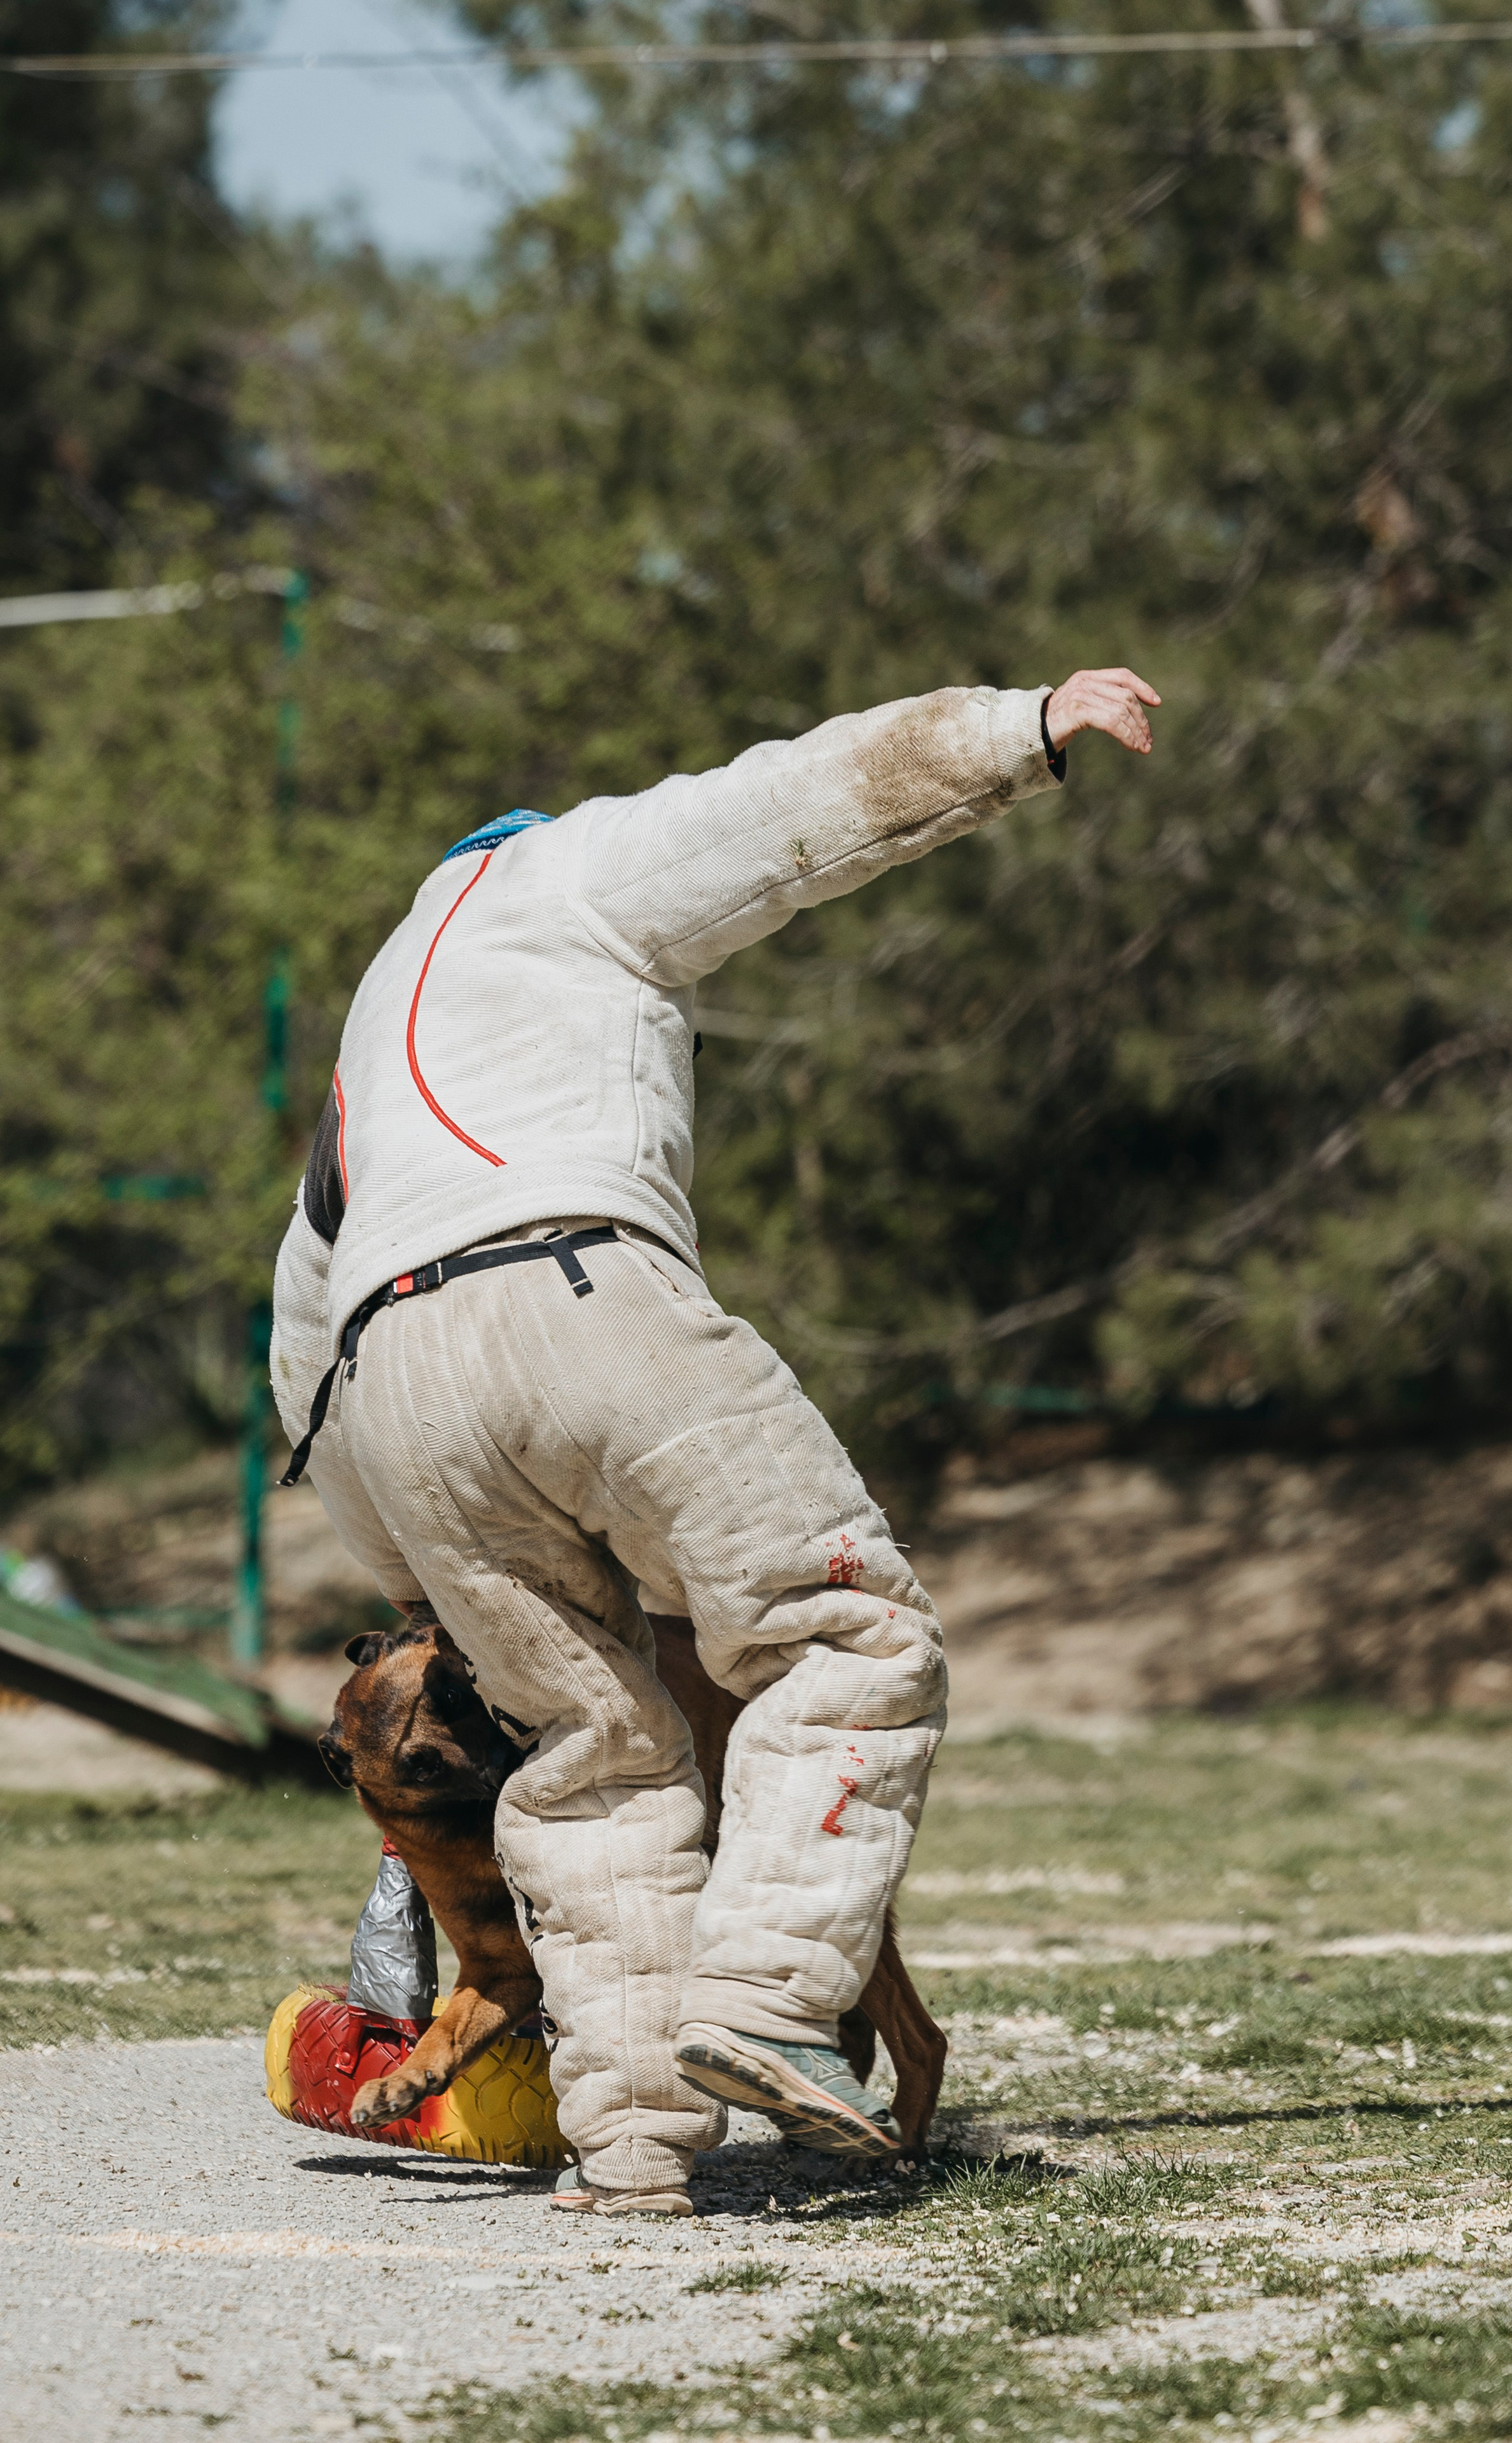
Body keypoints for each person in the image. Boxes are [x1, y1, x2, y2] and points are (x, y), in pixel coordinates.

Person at [270, 662, 1160, 2216]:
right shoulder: (556, 873)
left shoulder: (371, 1021)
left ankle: (624, 2153)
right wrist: (1014, 729)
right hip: (571, 1285)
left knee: (593, 1757)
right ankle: (765, 2003)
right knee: (849, 1635)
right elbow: (785, 809)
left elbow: (301, 1313)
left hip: (384, 1381)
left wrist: (410, 1561)